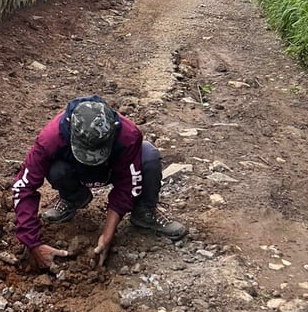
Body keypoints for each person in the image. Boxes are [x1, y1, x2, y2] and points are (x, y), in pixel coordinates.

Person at [12, 96, 187, 270]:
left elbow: (127, 184)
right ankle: (73, 197)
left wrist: (107, 234)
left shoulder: (128, 134)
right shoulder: (51, 138)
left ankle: (144, 211)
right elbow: (24, 186)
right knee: (56, 169)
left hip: (111, 169)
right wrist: (32, 243)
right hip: (74, 169)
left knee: (148, 155)